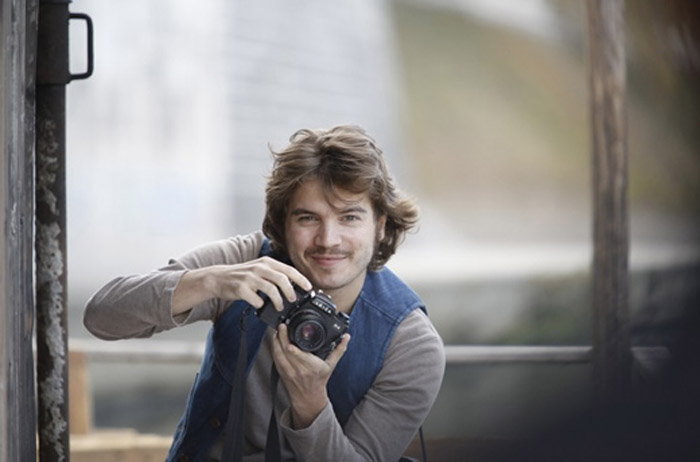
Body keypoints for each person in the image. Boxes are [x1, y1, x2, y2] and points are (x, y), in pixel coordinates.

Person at [83, 125, 445, 462]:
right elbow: (100, 317)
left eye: (349, 217)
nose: (328, 240)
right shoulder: (246, 260)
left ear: (380, 225)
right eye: (307, 218)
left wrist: (310, 403)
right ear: (283, 223)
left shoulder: (411, 344)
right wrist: (211, 281)